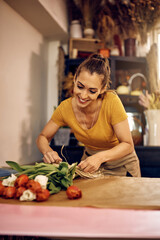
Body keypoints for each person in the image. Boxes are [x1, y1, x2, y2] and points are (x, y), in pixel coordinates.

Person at [36, 54, 141, 177]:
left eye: (92, 91)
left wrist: (100, 157)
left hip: (122, 165)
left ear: (102, 89)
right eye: (80, 86)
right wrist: (48, 151)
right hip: (90, 165)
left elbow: (128, 145)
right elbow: (43, 137)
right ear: (75, 79)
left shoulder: (111, 102)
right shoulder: (65, 108)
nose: (83, 95)